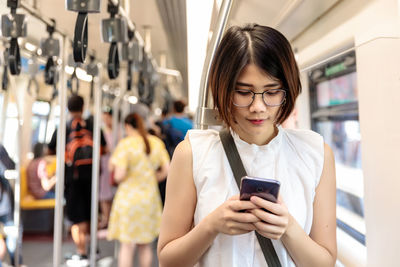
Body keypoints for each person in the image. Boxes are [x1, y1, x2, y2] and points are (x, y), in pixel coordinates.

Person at [157, 24, 337, 267]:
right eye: (243, 92)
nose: (258, 107)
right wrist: (211, 226)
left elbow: (325, 262)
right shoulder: (193, 153)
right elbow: (167, 260)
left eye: (272, 92)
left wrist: (288, 229)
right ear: (223, 89)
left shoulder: (315, 154)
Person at [48, 94, 106, 263]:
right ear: (83, 106)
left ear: (67, 107)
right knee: (91, 212)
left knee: (75, 217)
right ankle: (93, 247)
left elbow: (50, 150)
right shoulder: (94, 125)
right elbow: (104, 148)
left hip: (72, 177)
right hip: (92, 176)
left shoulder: (63, 127)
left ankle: (80, 252)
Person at [108, 113, 169, 267]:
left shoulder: (125, 144)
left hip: (128, 199)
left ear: (127, 126)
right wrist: (152, 178)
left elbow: (119, 176)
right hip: (149, 198)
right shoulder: (156, 143)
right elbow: (167, 170)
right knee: (145, 246)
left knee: (127, 246)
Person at [98, 109, 115, 229]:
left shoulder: (118, 131)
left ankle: (113, 218)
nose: (105, 120)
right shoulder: (101, 131)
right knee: (104, 192)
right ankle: (106, 218)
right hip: (104, 163)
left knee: (114, 191)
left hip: (115, 163)